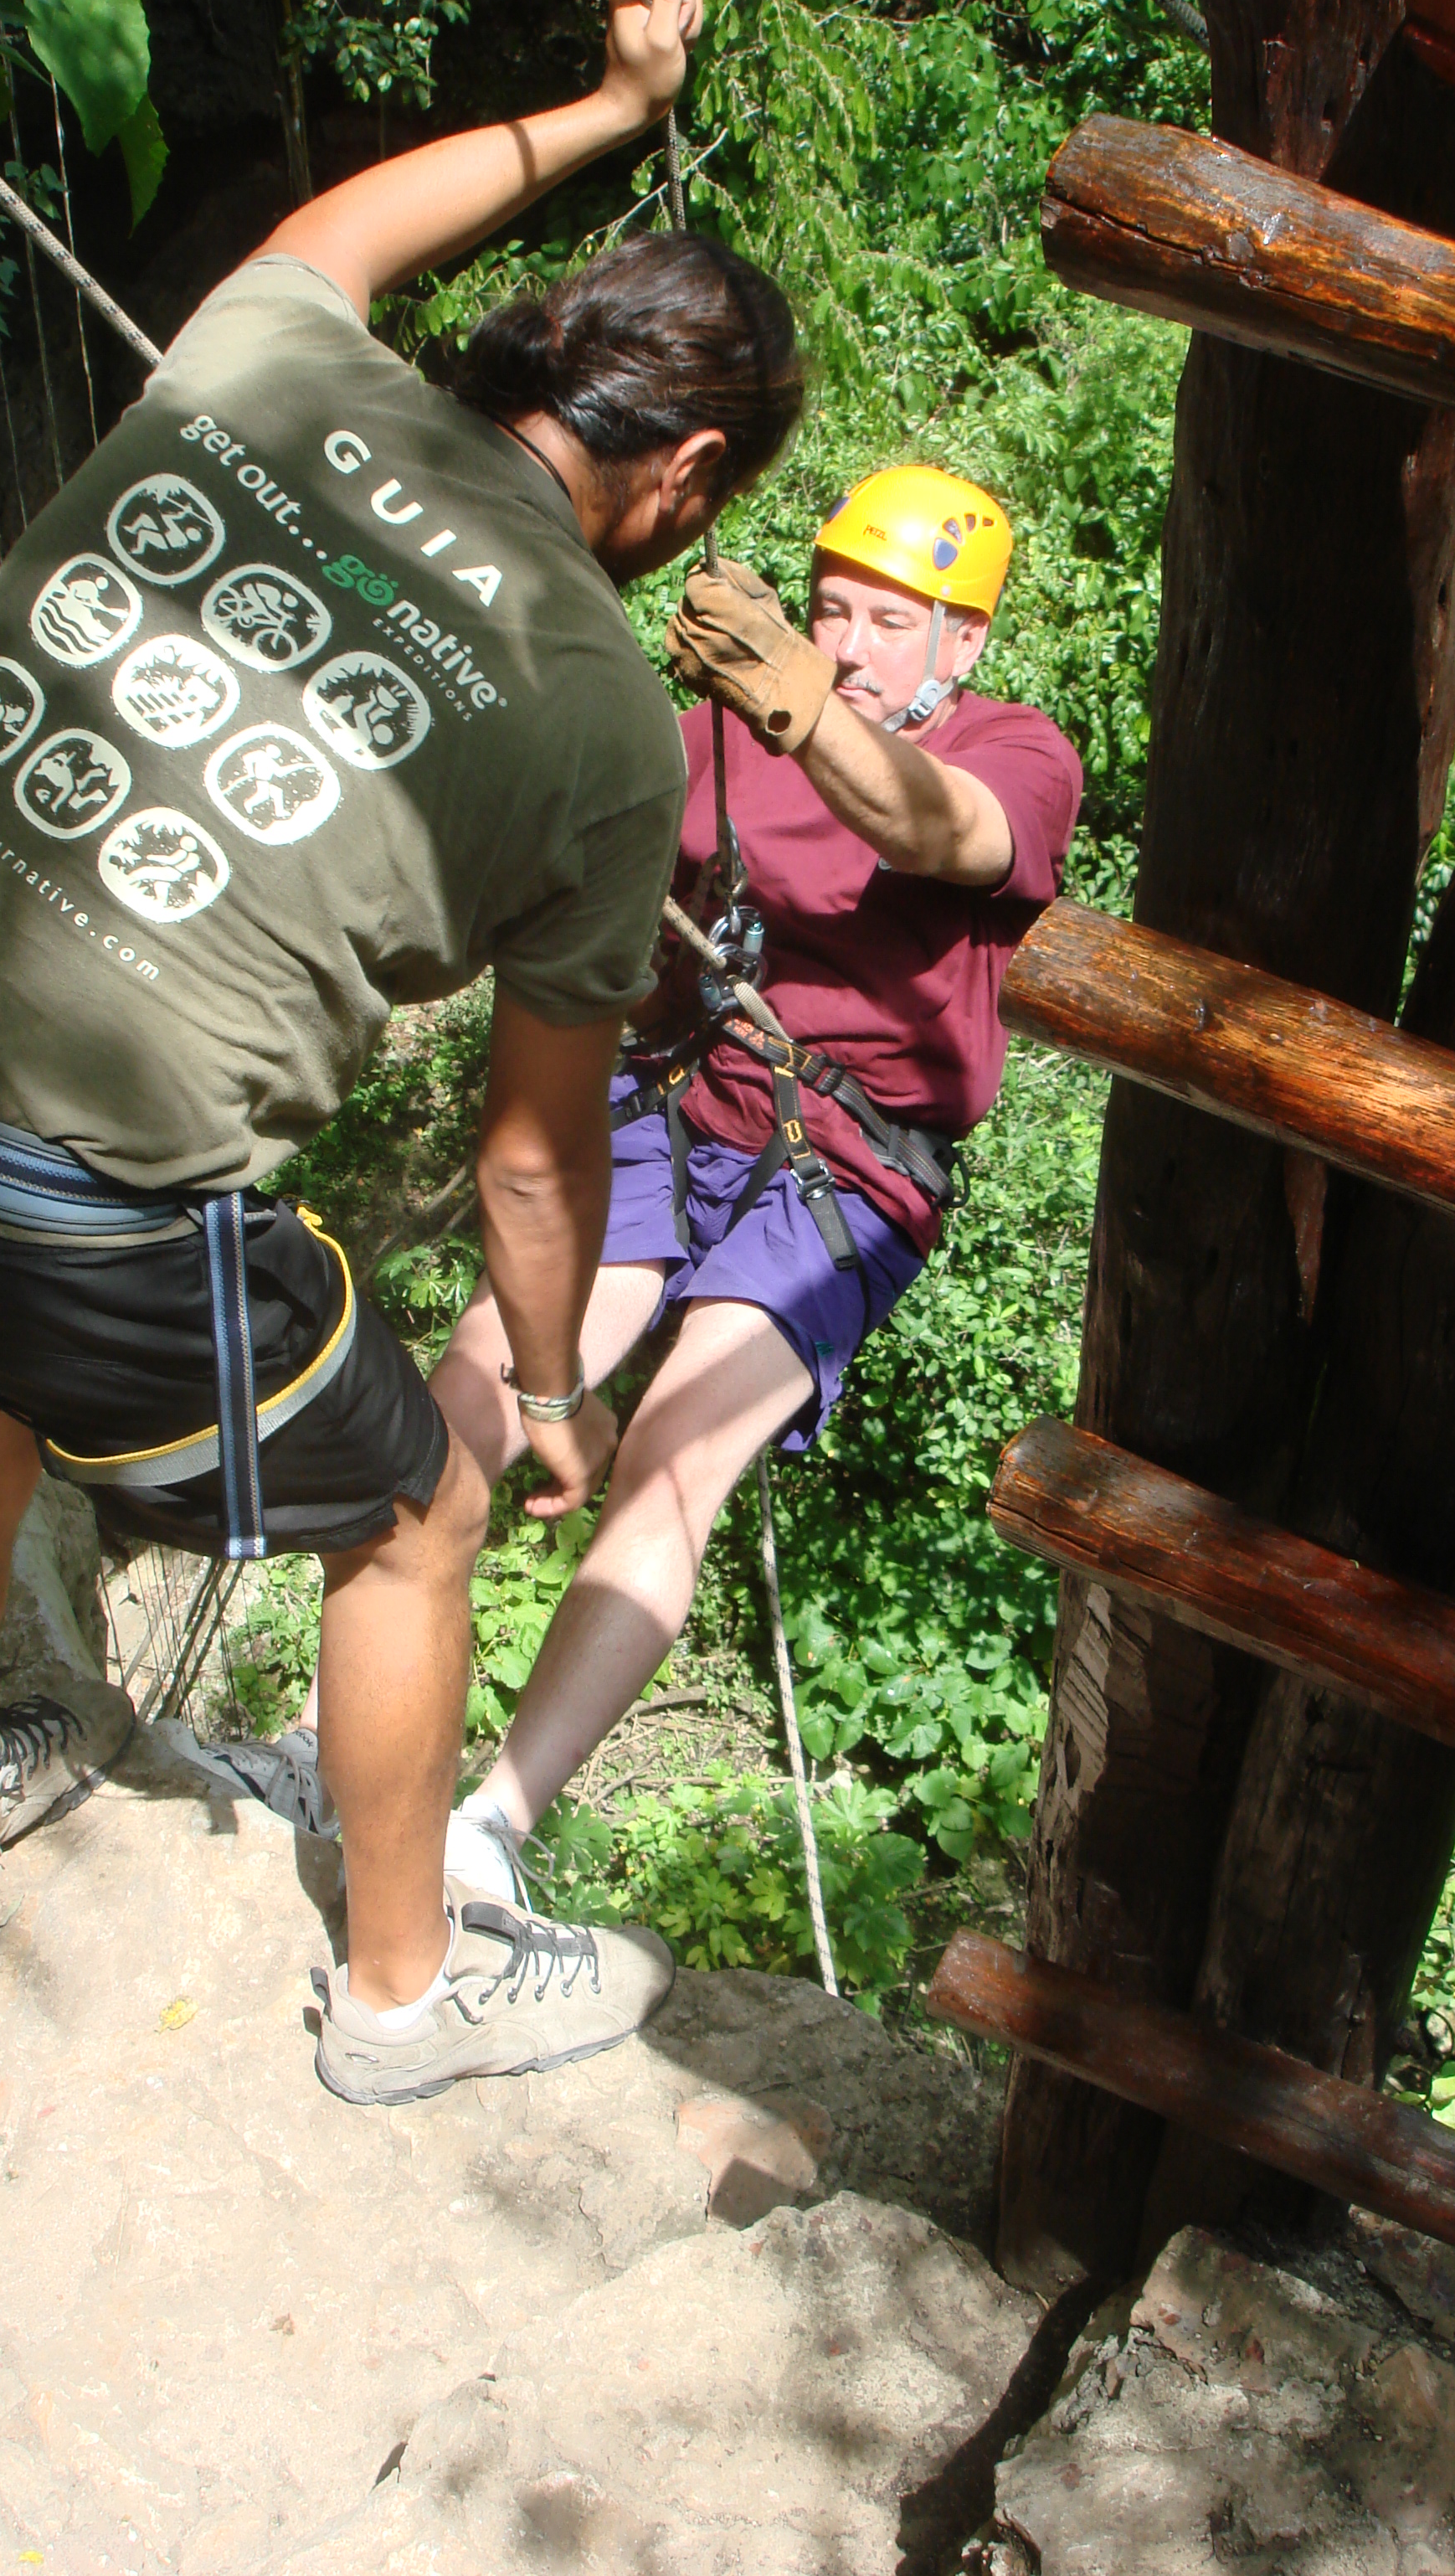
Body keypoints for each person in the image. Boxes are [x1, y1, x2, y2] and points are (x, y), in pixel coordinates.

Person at [0, 0, 804, 2108]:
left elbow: (348, 227)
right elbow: (529, 1162)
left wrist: (606, 104)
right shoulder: (604, 724)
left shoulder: (273, 357)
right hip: (57, 1209)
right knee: (415, 1514)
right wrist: (552, 1396)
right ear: (686, 470)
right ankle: (402, 1997)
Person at [206, 466, 1082, 1902]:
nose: (848, 644)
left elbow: (944, 833)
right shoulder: (712, 736)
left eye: (888, 620)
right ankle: (324, 1748)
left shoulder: (1014, 748)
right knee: (479, 1386)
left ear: (963, 639)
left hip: (844, 1167)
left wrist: (797, 701)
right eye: (830, 610)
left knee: (677, 1455)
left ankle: (491, 1826)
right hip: (673, 1100)